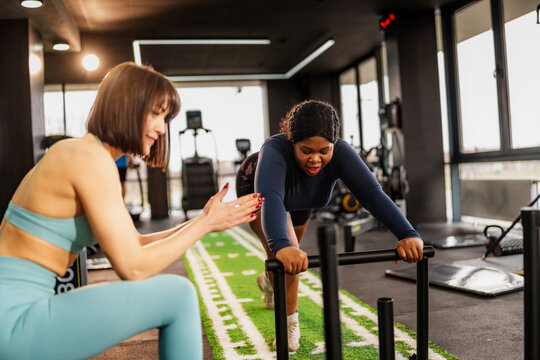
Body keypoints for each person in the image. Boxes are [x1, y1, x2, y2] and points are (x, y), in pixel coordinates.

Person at [0, 62, 263, 360]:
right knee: (179, 296)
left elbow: (134, 243)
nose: (161, 128)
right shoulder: (90, 159)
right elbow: (133, 268)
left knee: (177, 294)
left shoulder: (82, 153)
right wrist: (203, 226)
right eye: (156, 113)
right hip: (14, 319)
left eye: (165, 118)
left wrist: (205, 220)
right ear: (125, 106)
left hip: (16, 308)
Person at [235, 99, 423, 352]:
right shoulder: (274, 150)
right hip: (260, 191)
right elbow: (272, 199)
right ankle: (289, 322)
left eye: (324, 151)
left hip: (302, 196)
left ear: (334, 144)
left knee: (292, 257)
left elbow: (372, 194)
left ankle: (269, 283)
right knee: (284, 259)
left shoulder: (342, 152)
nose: (315, 159)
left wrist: (407, 233)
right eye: (306, 150)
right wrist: (281, 246)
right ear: (292, 141)